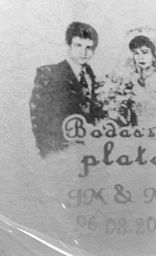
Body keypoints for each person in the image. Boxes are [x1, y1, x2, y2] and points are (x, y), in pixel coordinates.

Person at [29, 21, 103, 156]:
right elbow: (39, 119)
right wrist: (49, 153)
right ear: (68, 45)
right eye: (78, 45)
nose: (84, 52)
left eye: (89, 47)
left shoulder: (90, 75)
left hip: (87, 152)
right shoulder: (49, 74)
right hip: (60, 151)